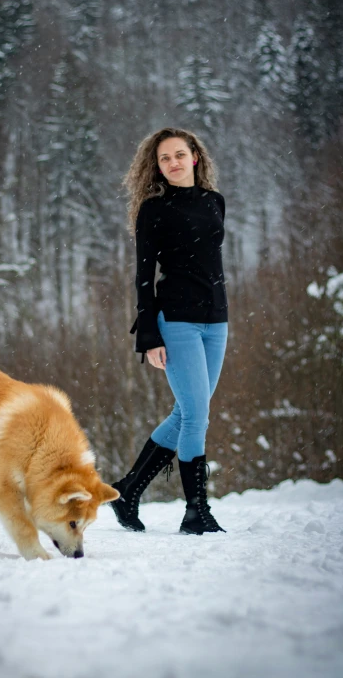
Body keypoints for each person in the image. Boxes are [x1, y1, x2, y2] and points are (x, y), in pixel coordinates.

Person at [110, 127, 228, 535]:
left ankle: (128, 489)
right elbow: (144, 276)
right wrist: (149, 334)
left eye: (180, 154)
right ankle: (196, 511)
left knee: (187, 411)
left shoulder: (215, 202)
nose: (174, 162)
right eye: (165, 158)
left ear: (195, 156)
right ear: (156, 166)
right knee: (197, 415)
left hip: (217, 321)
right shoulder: (154, 210)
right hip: (175, 321)